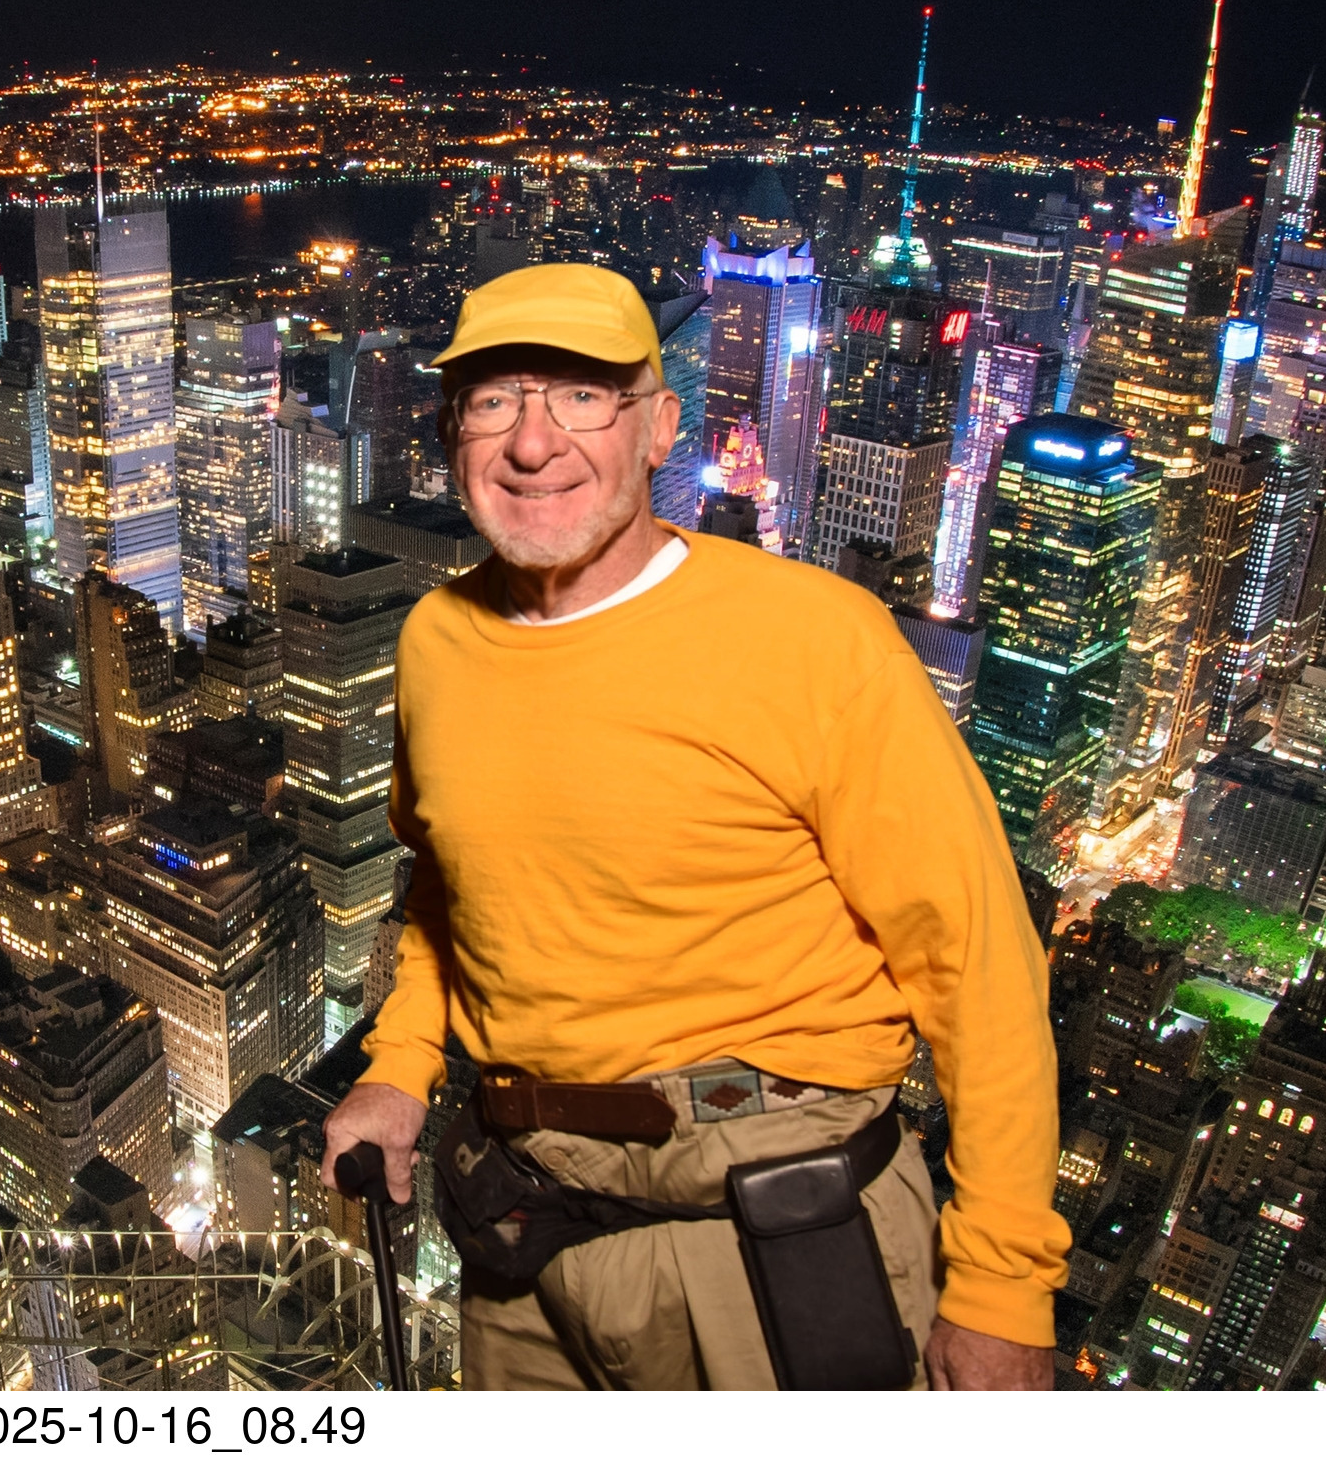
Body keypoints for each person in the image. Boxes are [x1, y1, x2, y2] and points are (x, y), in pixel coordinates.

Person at [322, 263, 1066, 1390]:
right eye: (493, 400)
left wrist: (1003, 1284)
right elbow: (446, 887)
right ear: (449, 434)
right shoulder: (436, 639)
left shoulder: (818, 639)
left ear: (660, 427)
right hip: (525, 1223)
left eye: (583, 396)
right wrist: (400, 1067)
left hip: (770, 1217)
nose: (533, 442)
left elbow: (980, 961)